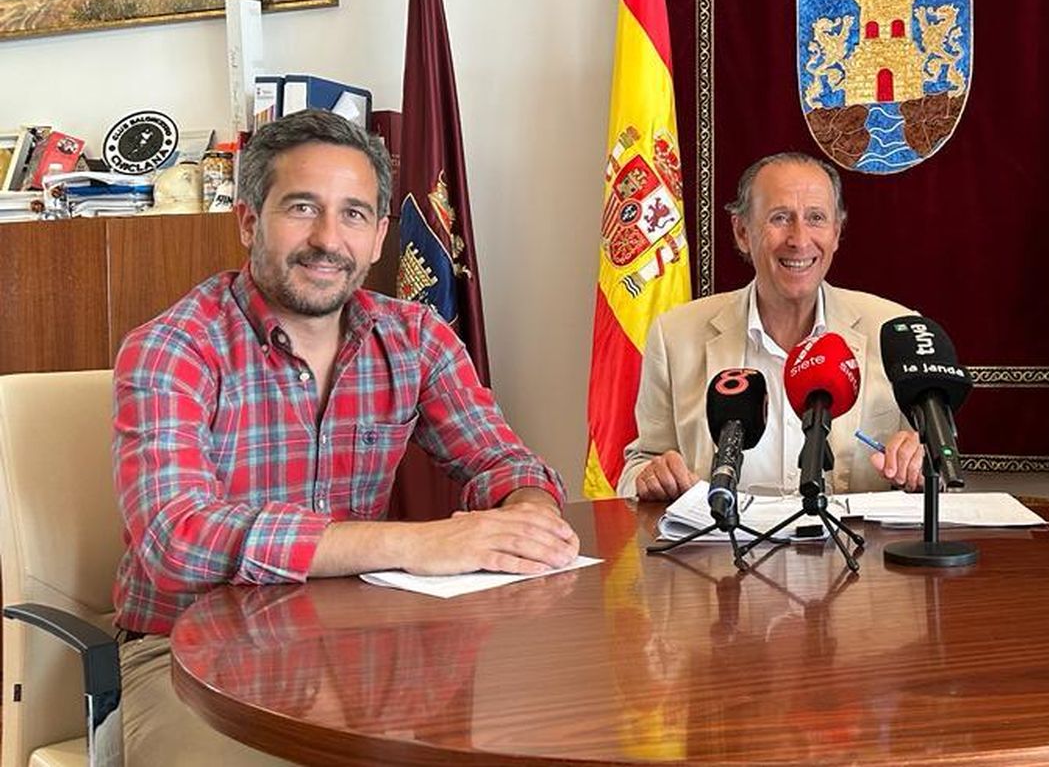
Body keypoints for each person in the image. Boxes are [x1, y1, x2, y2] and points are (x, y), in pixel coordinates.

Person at [112, 109, 578, 766]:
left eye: (353, 214)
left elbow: (503, 461)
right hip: (187, 653)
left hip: (359, 641)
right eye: (302, 207)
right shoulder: (174, 348)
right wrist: (414, 544)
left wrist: (529, 513)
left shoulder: (415, 337)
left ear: (380, 235)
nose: (328, 239)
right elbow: (176, 539)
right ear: (248, 220)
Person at [619, 152, 922, 501]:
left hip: (849, 538)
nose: (800, 239)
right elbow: (638, 467)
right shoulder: (675, 336)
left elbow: (929, 470)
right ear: (742, 232)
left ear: (836, 233)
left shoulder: (894, 331)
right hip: (721, 537)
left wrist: (917, 466)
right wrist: (650, 477)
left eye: (816, 218)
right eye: (780, 218)